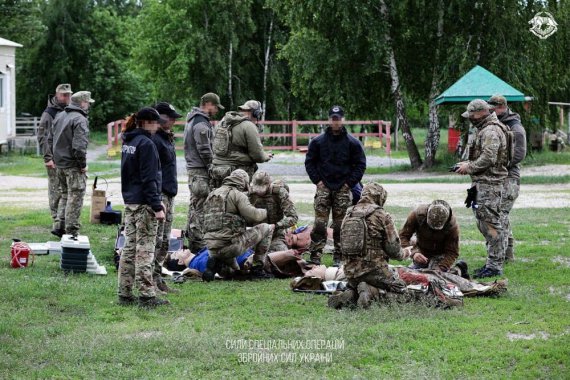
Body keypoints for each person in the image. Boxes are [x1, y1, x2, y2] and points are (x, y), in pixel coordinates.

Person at [330, 182, 412, 308]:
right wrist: (407, 252)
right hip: (375, 271)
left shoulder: (348, 214)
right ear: (380, 197)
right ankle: (372, 292)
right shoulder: (382, 215)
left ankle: (352, 294)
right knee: (403, 292)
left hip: (350, 272)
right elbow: (394, 251)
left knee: (358, 284)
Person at [118, 107, 168, 308]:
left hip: (130, 202)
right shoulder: (146, 144)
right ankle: (147, 296)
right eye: (156, 122)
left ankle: (124, 292)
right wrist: (157, 205)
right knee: (145, 250)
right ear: (146, 122)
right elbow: (149, 178)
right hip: (145, 204)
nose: (158, 126)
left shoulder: (128, 141)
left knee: (129, 249)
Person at [304, 105, 366, 266]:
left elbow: (360, 165)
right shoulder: (318, 142)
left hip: (343, 189)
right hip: (324, 187)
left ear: (343, 120)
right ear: (329, 120)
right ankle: (315, 255)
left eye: (338, 119)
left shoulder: (353, 143)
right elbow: (309, 162)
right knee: (319, 224)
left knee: (340, 225)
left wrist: (349, 184)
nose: (336, 122)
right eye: (333, 119)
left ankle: (339, 256)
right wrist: (317, 181)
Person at [454, 99, 508, 278]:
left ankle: (495, 266)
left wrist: (469, 167)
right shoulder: (484, 129)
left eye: (471, 115)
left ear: (480, 113)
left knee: (491, 224)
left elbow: (489, 158)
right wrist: (468, 164)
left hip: (489, 185)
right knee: (483, 222)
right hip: (481, 184)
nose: (470, 118)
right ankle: (492, 263)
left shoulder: (491, 130)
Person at [202, 169, 275, 281]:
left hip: (211, 248)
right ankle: (257, 268)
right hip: (230, 246)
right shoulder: (237, 194)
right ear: (244, 182)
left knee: (235, 272)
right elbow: (254, 216)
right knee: (267, 228)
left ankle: (215, 263)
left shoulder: (212, 195)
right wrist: (266, 212)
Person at [47, 91, 94, 237]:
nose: (89, 106)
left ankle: (59, 225)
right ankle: (72, 230)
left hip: (59, 164)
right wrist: (82, 165)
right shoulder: (79, 119)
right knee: (76, 196)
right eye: (88, 103)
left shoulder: (60, 116)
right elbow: (79, 146)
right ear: (83, 103)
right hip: (73, 165)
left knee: (65, 195)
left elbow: (51, 138)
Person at [488, 95, 527, 262]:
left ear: (502, 107)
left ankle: (502, 255)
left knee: (500, 215)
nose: (490, 111)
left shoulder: (515, 128)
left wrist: (497, 165)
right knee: (500, 215)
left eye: (493, 109)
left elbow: (519, 154)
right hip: (498, 178)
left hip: (509, 178)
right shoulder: (497, 125)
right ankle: (507, 253)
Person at [184, 93, 224, 252]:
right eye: (215, 106)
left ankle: (193, 243)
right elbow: (204, 149)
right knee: (200, 209)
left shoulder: (192, 119)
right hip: (200, 172)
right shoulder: (201, 123)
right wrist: (212, 167)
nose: (215, 110)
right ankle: (199, 247)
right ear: (207, 104)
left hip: (194, 171)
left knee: (194, 207)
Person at [151, 102, 182, 294]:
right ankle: (150, 280)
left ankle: (157, 276)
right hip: (160, 193)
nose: (173, 121)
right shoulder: (154, 139)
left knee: (164, 241)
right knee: (156, 240)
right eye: (169, 117)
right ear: (159, 117)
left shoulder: (165, 137)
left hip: (169, 192)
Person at [210, 100, 273, 189]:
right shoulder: (249, 126)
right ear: (255, 113)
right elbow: (257, 155)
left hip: (217, 170)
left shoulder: (223, 122)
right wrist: (266, 156)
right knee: (238, 200)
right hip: (237, 172)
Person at [39, 83, 72, 236]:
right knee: (55, 189)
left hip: (65, 158)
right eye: (63, 95)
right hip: (53, 159)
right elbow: (43, 137)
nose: (66, 97)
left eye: (68, 94)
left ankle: (63, 220)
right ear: (56, 95)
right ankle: (56, 220)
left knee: (66, 190)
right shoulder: (49, 113)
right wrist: (48, 158)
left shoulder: (69, 110)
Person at [399, 200, 464, 276]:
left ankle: (459, 268)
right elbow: (402, 236)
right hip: (421, 251)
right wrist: (414, 253)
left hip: (441, 255)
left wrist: (442, 267)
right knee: (412, 274)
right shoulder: (417, 215)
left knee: (437, 277)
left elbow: (452, 252)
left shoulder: (452, 226)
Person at [248, 171, 298, 252]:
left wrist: (277, 225)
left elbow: (293, 217)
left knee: (280, 255)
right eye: (256, 188)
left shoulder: (279, 193)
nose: (258, 192)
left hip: (276, 235)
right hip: (256, 235)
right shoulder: (250, 193)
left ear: (268, 185)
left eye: (261, 189)